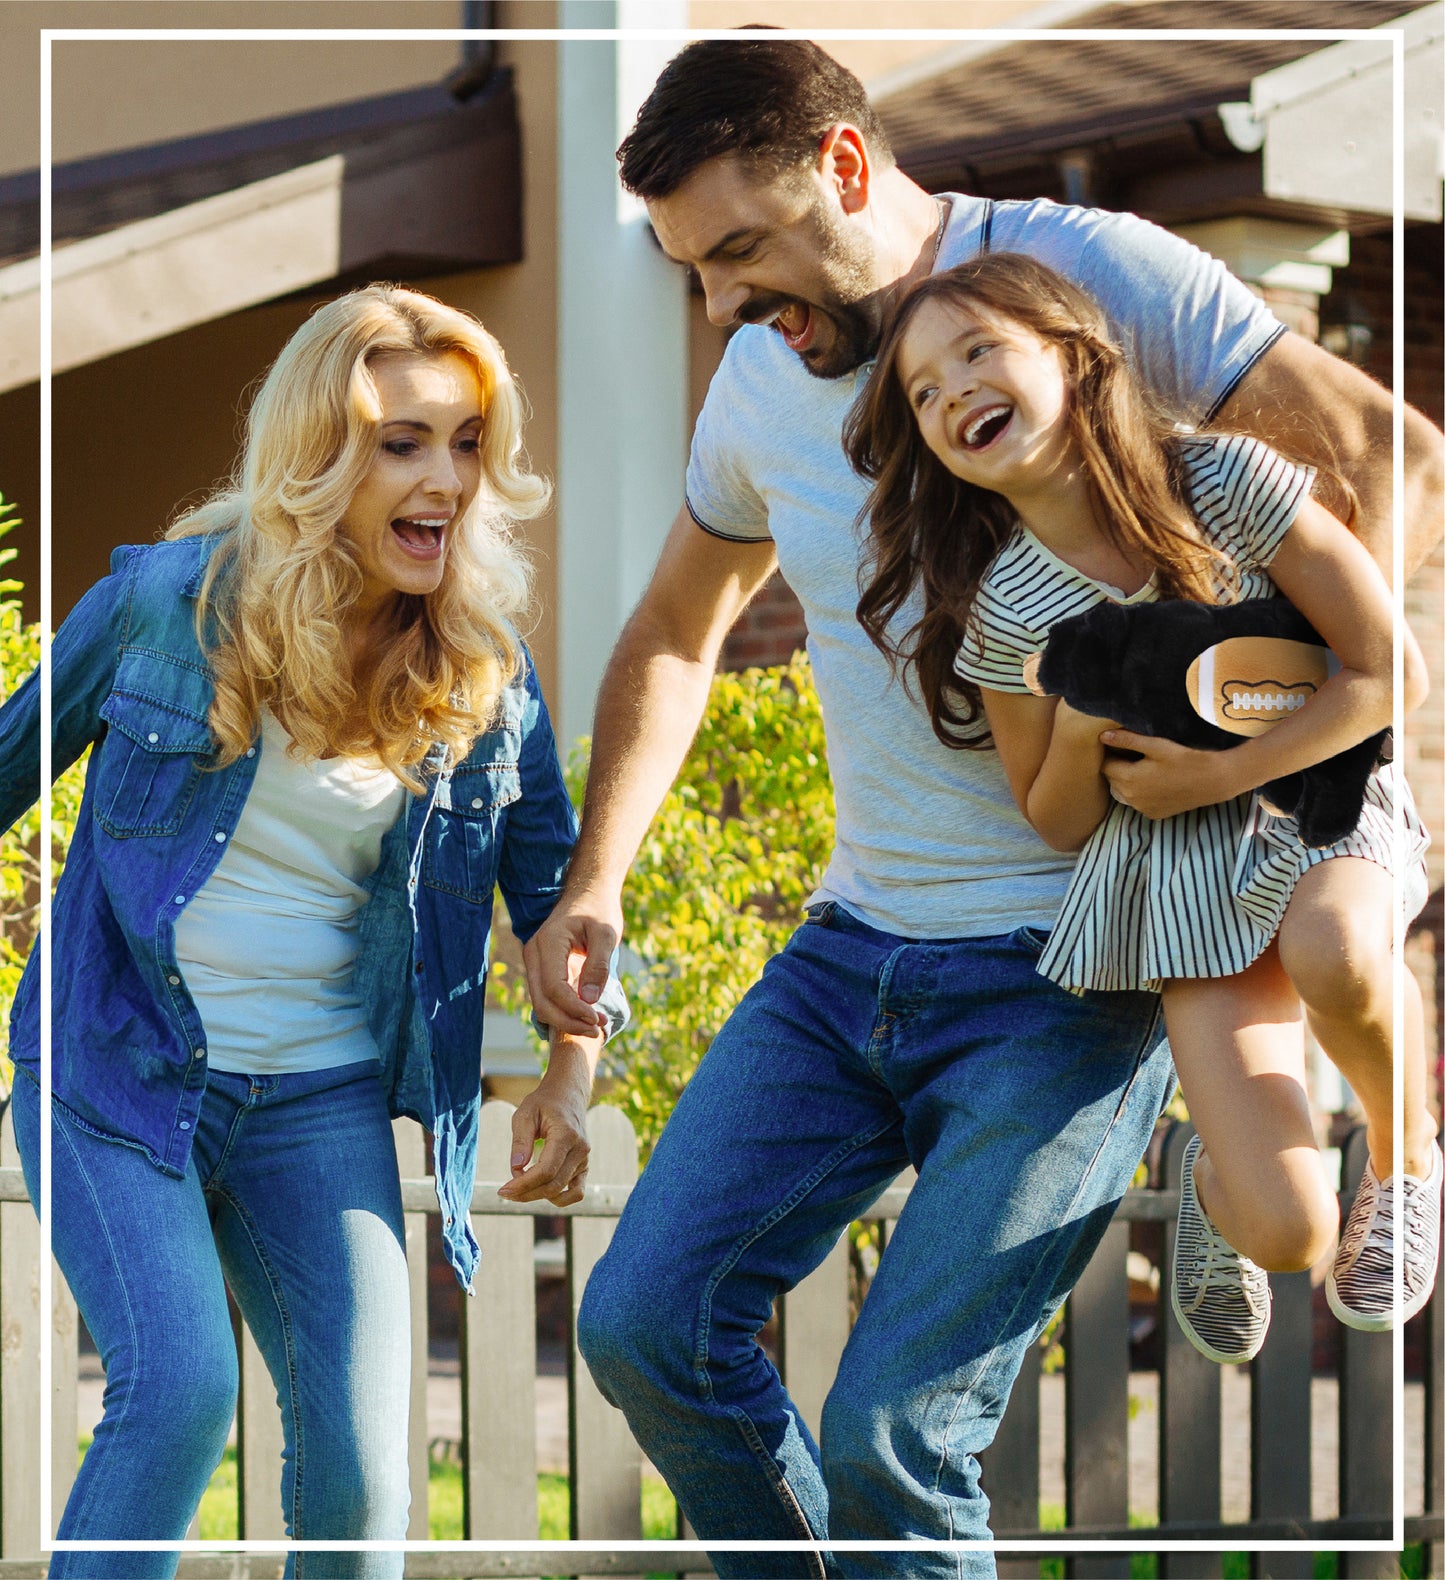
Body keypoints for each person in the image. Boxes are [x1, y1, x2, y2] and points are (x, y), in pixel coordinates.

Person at [520, 37, 1444, 1579]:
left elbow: (1377, 453)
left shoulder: (1090, 278)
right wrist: (594, 877)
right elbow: (679, 633)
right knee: (641, 1326)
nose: (725, 306)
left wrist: (1270, 752)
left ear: (845, 166)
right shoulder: (761, 379)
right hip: (851, 952)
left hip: (1069, 975)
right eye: (692, 270)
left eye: (740, 249)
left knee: (896, 1432)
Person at [0, 284, 626, 1579]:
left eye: (464, 442)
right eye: (403, 442)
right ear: (320, 456)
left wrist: (570, 1075)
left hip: (317, 1103)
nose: (444, 478)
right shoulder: (162, 609)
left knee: (362, 1472)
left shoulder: (479, 670)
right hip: (115, 1068)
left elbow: (559, 903)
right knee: (176, 1398)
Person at [845, 252, 1439, 1367]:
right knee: (1289, 1227)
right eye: (922, 391)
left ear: (1071, 355)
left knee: (1334, 941)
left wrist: (1218, 771)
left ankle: (1407, 1156)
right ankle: (1219, 1187)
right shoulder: (1009, 610)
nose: (950, 390)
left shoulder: (1221, 481)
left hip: (1317, 803)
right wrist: (1074, 724)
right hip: (1176, 879)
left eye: (977, 350)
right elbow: (1056, 819)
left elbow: (1385, 674)